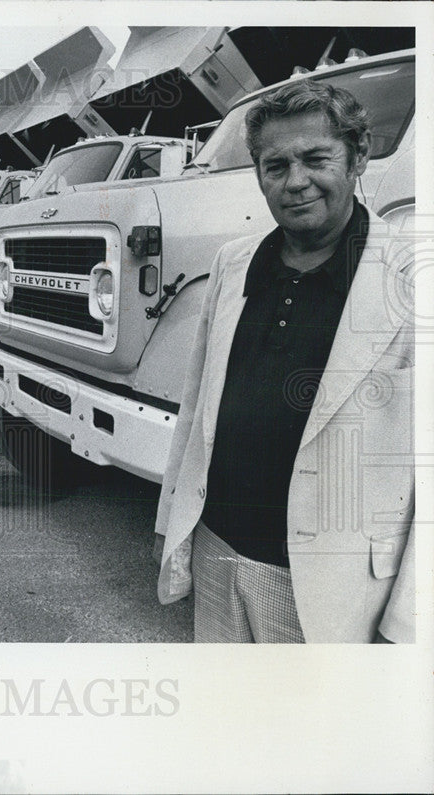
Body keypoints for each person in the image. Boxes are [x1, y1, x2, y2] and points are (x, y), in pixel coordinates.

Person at [155, 79, 414, 643]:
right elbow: (196, 408)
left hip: (332, 588)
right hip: (215, 554)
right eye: (276, 166)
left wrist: (408, 621)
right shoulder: (234, 262)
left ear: (358, 155)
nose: (295, 182)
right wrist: (169, 524)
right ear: (258, 174)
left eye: (315, 158)